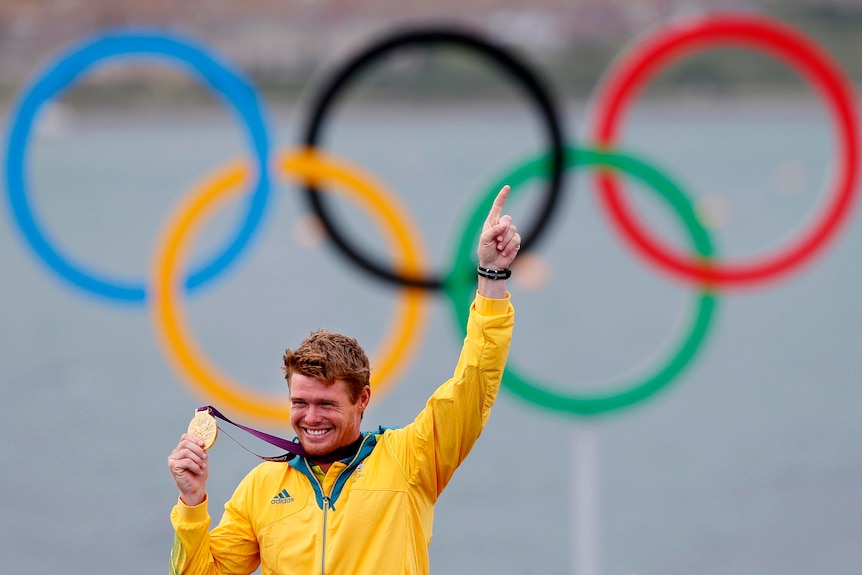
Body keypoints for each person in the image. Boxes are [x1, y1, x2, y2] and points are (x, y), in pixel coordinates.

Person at [167, 185, 521, 574]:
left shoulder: (411, 460)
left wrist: (491, 275)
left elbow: (475, 381)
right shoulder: (261, 486)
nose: (310, 417)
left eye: (327, 404)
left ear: (362, 399)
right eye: (300, 403)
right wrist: (192, 501)